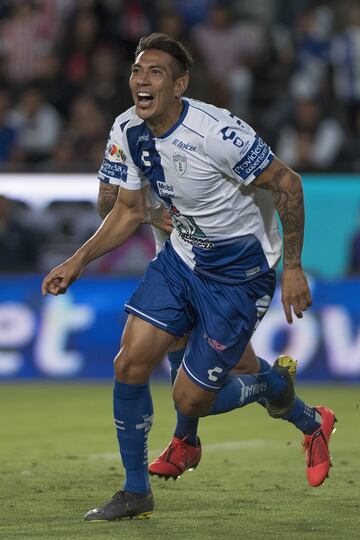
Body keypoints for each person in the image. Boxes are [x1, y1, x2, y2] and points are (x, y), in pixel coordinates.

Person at [42, 33, 336, 522]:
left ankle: (272, 387)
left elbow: (288, 183)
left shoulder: (216, 132)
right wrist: (77, 261)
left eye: (155, 72)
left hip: (240, 273)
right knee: (129, 364)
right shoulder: (127, 128)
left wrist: (293, 268)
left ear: (180, 84)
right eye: (138, 70)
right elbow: (125, 208)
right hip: (182, 261)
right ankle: (137, 491)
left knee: (192, 396)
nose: (142, 79)